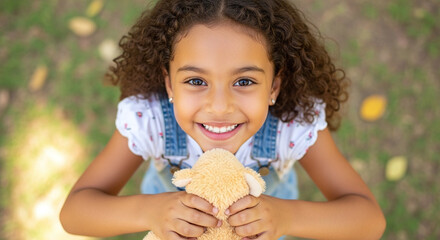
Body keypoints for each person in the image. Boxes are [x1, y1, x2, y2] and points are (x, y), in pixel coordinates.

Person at [60, 0, 386, 239]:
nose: (219, 107)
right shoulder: (151, 120)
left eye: (244, 82)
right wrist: (150, 212)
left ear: (274, 86)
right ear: (169, 84)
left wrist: (287, 217)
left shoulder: (292, 125)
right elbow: (75, 213)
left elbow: (369, 220)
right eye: (196, 81)